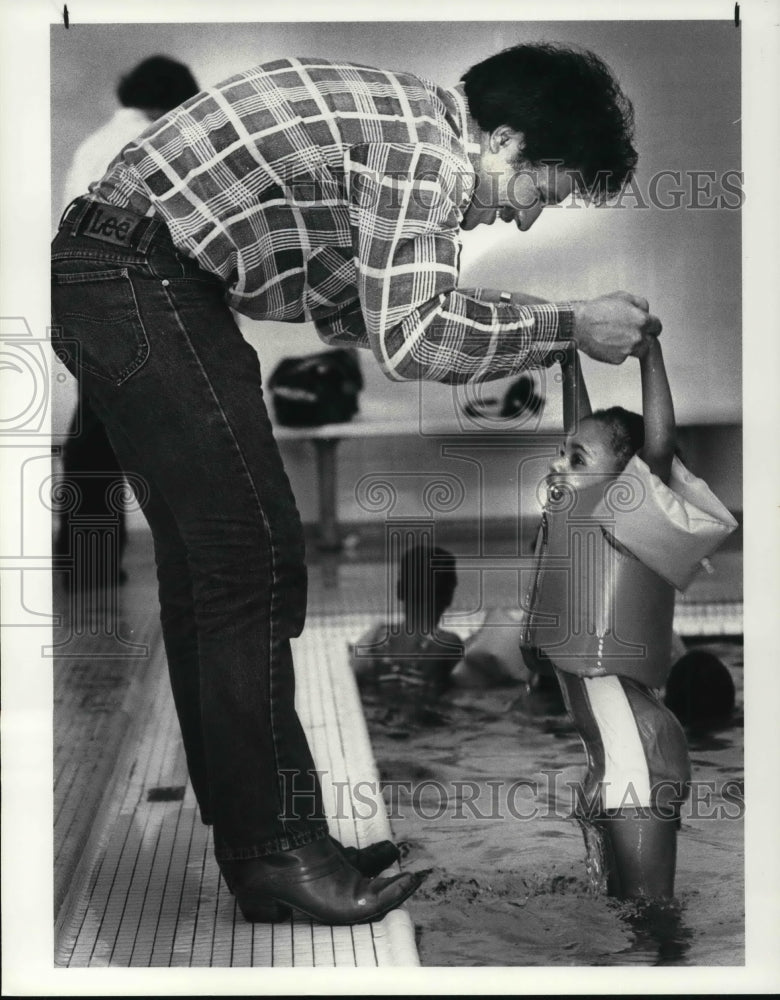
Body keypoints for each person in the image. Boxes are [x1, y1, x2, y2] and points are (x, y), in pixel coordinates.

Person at [51, 43, 662, 925]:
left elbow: (365, 320)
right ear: (501, 138)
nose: (527, 220)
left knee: (210, 573)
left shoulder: (404, 135)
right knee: (252, 564)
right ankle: (274, 852)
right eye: (540, 193)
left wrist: (556, 330)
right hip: (140, 278)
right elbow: (417, 340)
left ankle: (268, 835)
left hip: (123, 273)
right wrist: (566, 324)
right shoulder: (425, 148)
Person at [520, 339, 737, 900]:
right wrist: (569, 353)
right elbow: (584, 427)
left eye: (576, 458)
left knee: (652, 926)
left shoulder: (630, 516)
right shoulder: (577, 517)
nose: (558, 464)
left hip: (640, 756)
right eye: (562, 453)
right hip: (605, 762)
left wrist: (650, 353)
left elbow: (658, 445)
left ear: (628, 480)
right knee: (621, 927)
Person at [56, 57, 201, 588]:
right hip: (127, 304)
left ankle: (87, 561)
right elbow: (133, 227)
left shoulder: (93, 145)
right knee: (131, 436)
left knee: (95, 436)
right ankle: (101, 563)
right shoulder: (147, 147)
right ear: (173, 102)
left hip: (86, 302)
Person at [350, 542, 463, 700]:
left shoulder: (380, 638)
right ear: (449, 596)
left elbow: (354, 669)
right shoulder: (448, 643)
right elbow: (469, 684)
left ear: (399, 591)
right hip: (426, 718)